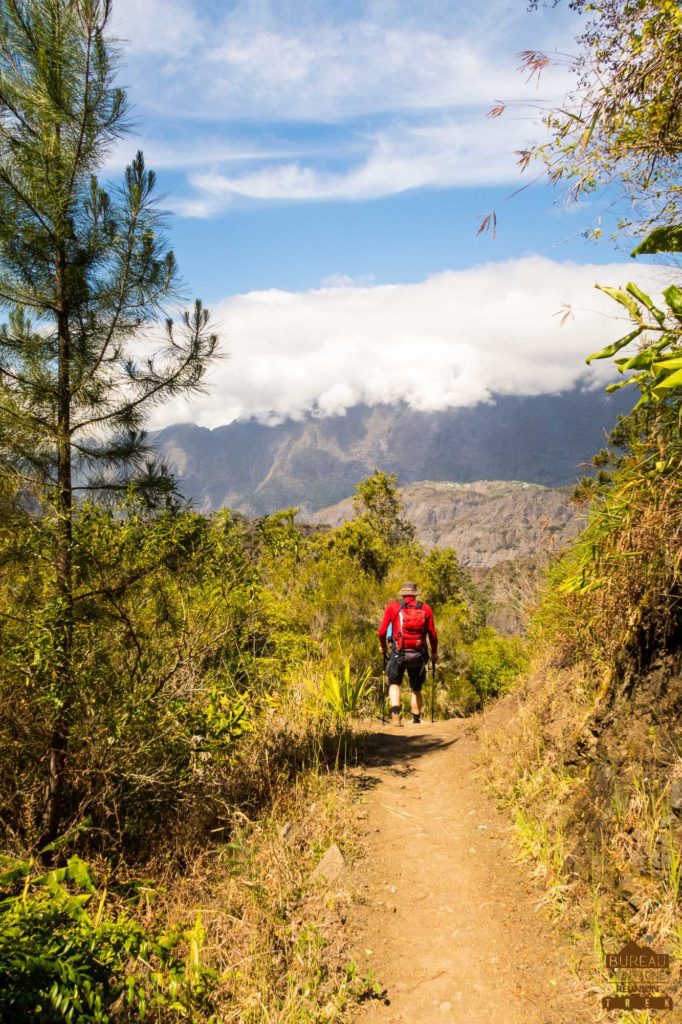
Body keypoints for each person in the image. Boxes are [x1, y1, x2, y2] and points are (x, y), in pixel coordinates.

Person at [378, 581, 438, 726]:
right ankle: (416, 719)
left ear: (403, 593)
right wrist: (434, 653)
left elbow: (382, 632)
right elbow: (433, 634)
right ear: (415, 594)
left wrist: (383, 647)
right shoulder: (425, 608)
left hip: (399, 652)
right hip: (419, 653)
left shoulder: (393, 607)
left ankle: (395, 716)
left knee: (394, 683)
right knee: (416, 687)